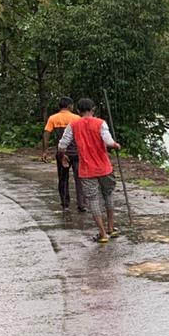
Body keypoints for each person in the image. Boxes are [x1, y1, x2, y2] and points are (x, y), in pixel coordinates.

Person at [56, 98, 121, 243]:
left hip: (87, 169)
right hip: (104, 168)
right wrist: (116, 145)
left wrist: (62, 156)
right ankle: (111, 227)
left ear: (78, 111)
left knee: (93, 200)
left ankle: (102, 234)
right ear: (93, 109)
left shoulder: (73, 125)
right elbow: (109, 142)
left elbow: (62, 145)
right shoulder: (100, 123)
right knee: (108, 195)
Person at [41, 96, 84, 212]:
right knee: (79, 178)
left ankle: (65, 204)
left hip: (61, 153)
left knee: (63, 179)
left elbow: (46, 134)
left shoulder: (53, 118)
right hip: (76, 153)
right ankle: (81, 204)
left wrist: (45, 150)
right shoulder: (77, 118)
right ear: (70, 106)